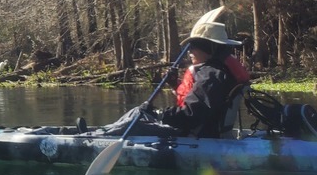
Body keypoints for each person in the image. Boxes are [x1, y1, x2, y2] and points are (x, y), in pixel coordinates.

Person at [96, 18, 250, 138]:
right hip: (207, 130)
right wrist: (174, 84)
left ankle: (91, 138)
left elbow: (192, 115)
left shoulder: (211, 75)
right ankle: (99, 133)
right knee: (137, 113)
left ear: (208, 48)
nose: (189, 51)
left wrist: (159, 114)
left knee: (136, 121)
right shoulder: (218, 72)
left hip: (194, 134)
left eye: (193, 46)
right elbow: (201, 101)